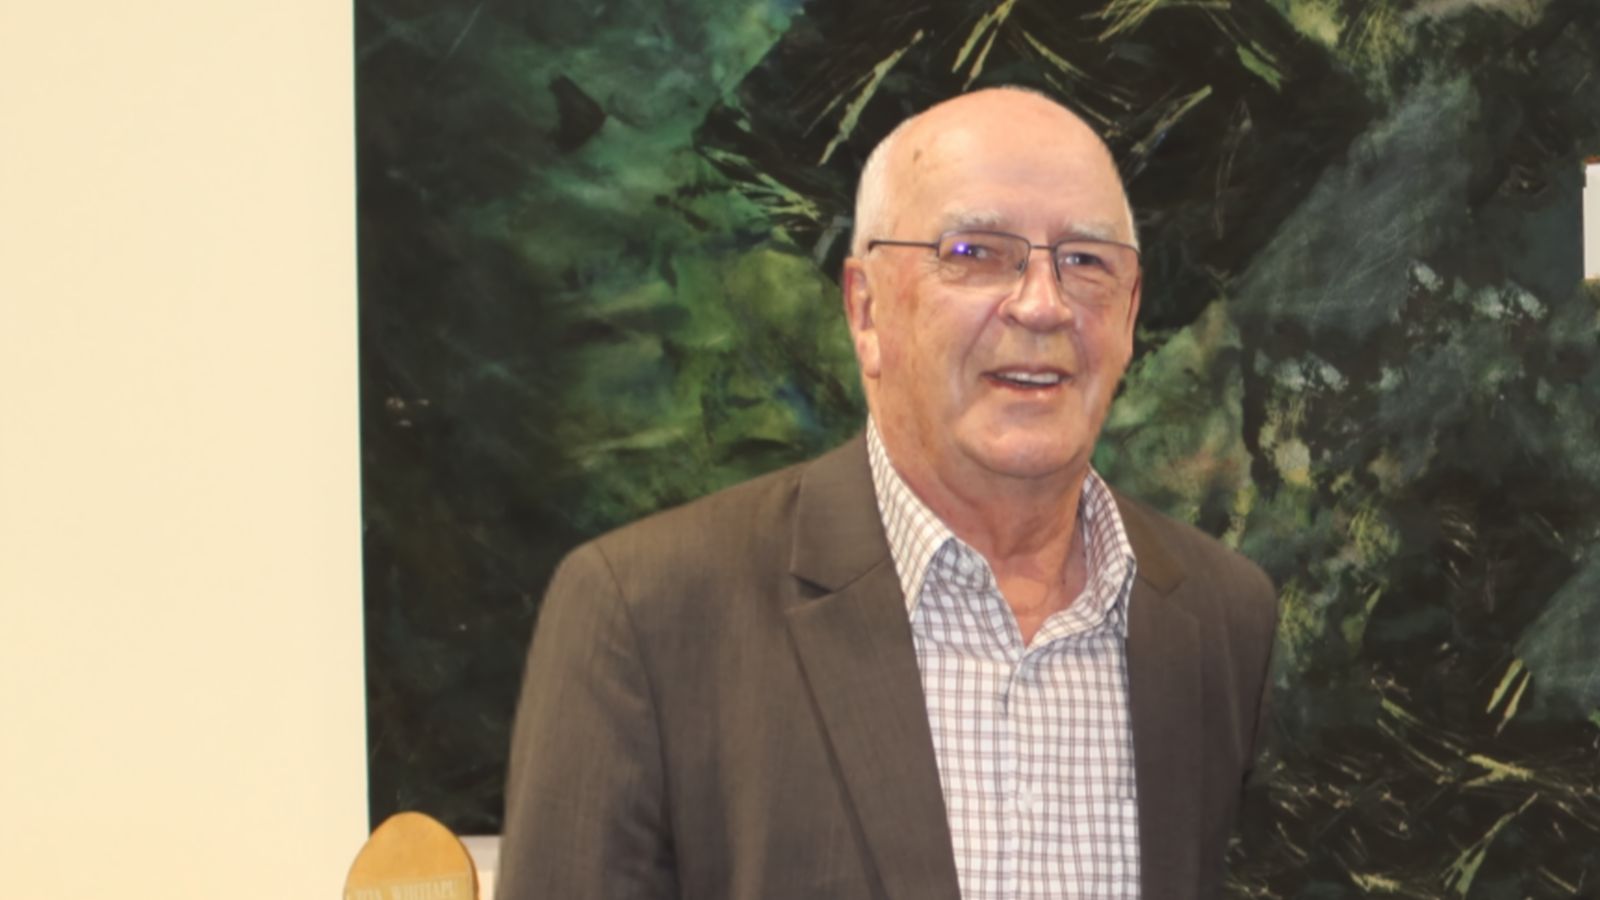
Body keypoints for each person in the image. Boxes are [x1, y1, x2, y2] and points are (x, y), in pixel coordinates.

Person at [497, 87, 1278, 900]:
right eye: (976, 252)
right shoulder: (647, 613)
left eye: (1086, 261)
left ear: (1129, 314)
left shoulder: (1224, 617)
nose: (1043, 304)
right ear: (866, 311)